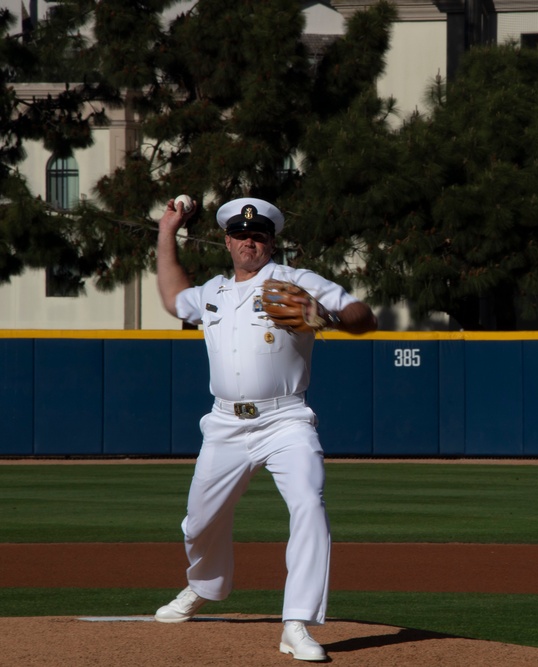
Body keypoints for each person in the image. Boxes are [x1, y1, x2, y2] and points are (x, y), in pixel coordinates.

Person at [153, 196, 377, 662]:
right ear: (228, 241)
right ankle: (205, 587)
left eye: (258, 236)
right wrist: (167, 232)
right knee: (198, 524)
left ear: (271, 242)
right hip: (224, 424)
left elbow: (364, 316)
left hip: (286, 419)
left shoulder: (296, 282)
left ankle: (296, 623)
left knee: (309, 504)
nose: (248, 242)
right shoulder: (212, 291)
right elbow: (175, 300)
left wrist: (325, 317)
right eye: (240, 235)